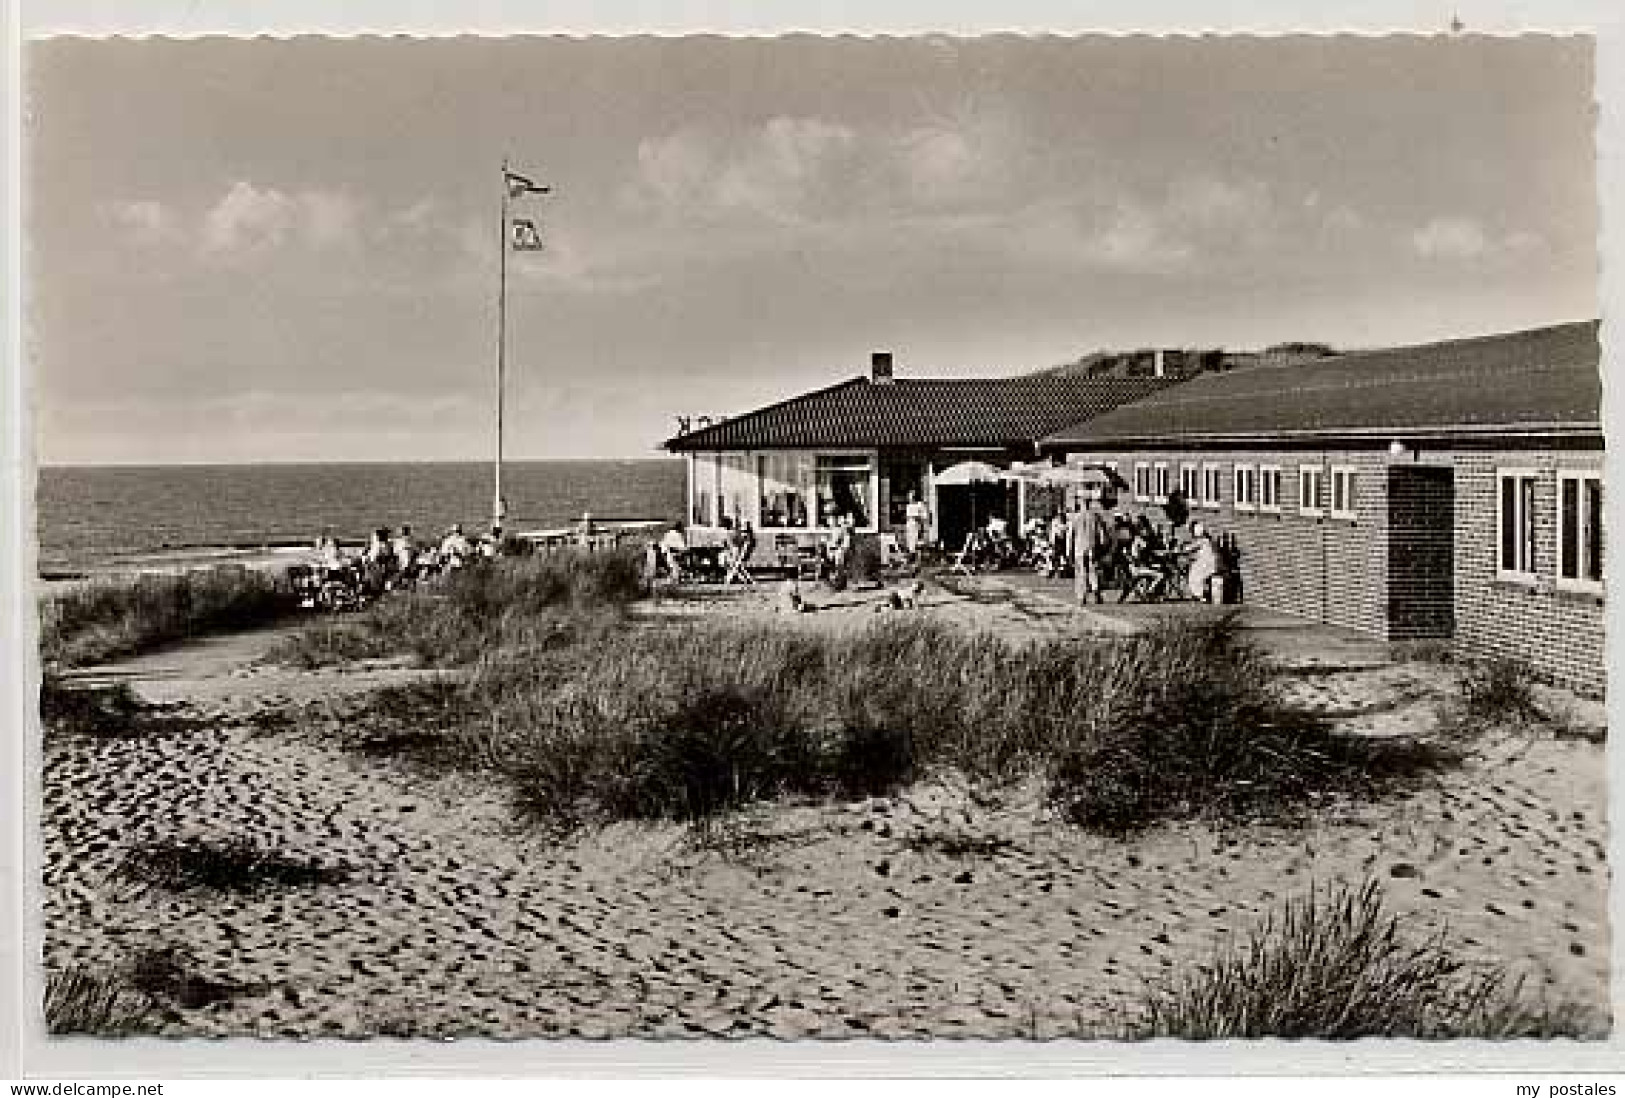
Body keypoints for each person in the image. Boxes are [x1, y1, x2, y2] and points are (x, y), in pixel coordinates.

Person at [1068, 491, 1111, 605]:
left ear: (1081, 503)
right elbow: (1102, 534)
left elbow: (1071, 536)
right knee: (1093, 570)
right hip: (1092, 547)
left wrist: (1069, 551)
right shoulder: (1095, 517)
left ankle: (1082, 596)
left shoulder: (1076, 517)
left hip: (1079, 548)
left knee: (1081, 572)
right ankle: (1096, 592)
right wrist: (1102, 547)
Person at [1185, 521, 1220, 602]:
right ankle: (1201, 594)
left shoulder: (1202, 541)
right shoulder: (1208, 541)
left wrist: (1184, 549)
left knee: (1194, 576)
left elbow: (1189, 548)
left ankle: (1200, 595)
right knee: (1195, 573)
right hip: (1209, 563)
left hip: (1206, 564)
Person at [903, 491, 930, 561]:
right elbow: (907, 516)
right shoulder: (908, 506)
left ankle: (919, 558)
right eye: (909, 496)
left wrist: (917, 519)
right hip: (909, 524)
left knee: (917, 540)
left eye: (911, 496)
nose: (909, 498)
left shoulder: (920, 505)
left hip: (916, 524)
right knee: (910, 540)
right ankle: (911, 555)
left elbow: (924, 516)